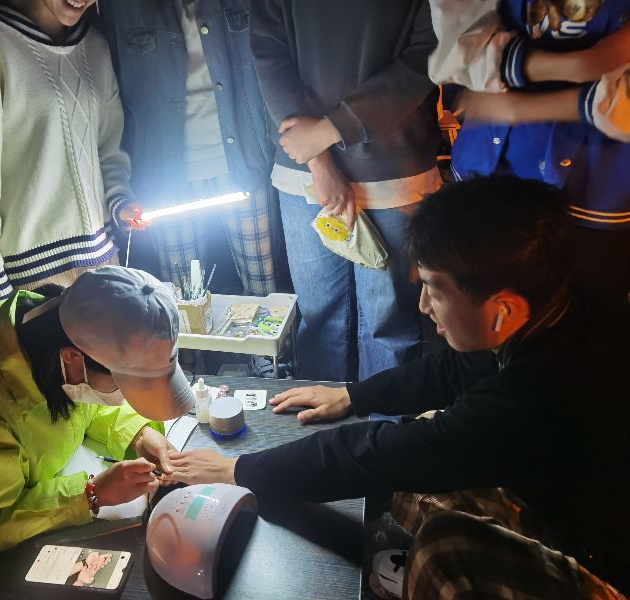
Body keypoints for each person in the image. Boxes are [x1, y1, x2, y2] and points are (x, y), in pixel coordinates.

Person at [164, 177, 630, 598]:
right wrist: (354, 395)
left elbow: (384, 453)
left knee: (441, 550)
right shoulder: (559, 299)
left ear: (502, 310)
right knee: (414, 483)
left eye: (435, 291)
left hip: (606, 567)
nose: (424, 306)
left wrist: (240, 470)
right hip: (568, 493)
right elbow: (455, 370)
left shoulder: (536, 397)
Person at [0, 267, 196, 597]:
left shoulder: (52, 328)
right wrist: (89, 495)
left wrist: (138, 432)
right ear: (72, 359)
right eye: (124, 387)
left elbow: (87, 401)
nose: (124, 399)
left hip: (44, 495)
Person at [249, 0, 443, 382]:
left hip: (391, 171)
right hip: (314, 165)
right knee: (322, 317)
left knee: (387, 324)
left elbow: (430, 52)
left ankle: (380, 416)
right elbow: (269, 54)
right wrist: (319, 157)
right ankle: (327, 416)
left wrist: (327, 134)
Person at [0, 0, 140, 304]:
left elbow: (109, 147)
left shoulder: (94, 43)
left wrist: (121, 201)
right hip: (28, 279)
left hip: (103, 260)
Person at [428, 0, 630, 308]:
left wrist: (519, 106)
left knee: (585, 314)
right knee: (482, 309)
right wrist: (585, 65)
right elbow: (458, 49)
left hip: (593, 182)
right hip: (486, 163)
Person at [99, 0, 278, 298]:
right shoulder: (125, 8)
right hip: (168, 177)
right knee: (182, 302)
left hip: (243, 164)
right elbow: (114, 95)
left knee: (264, 295)